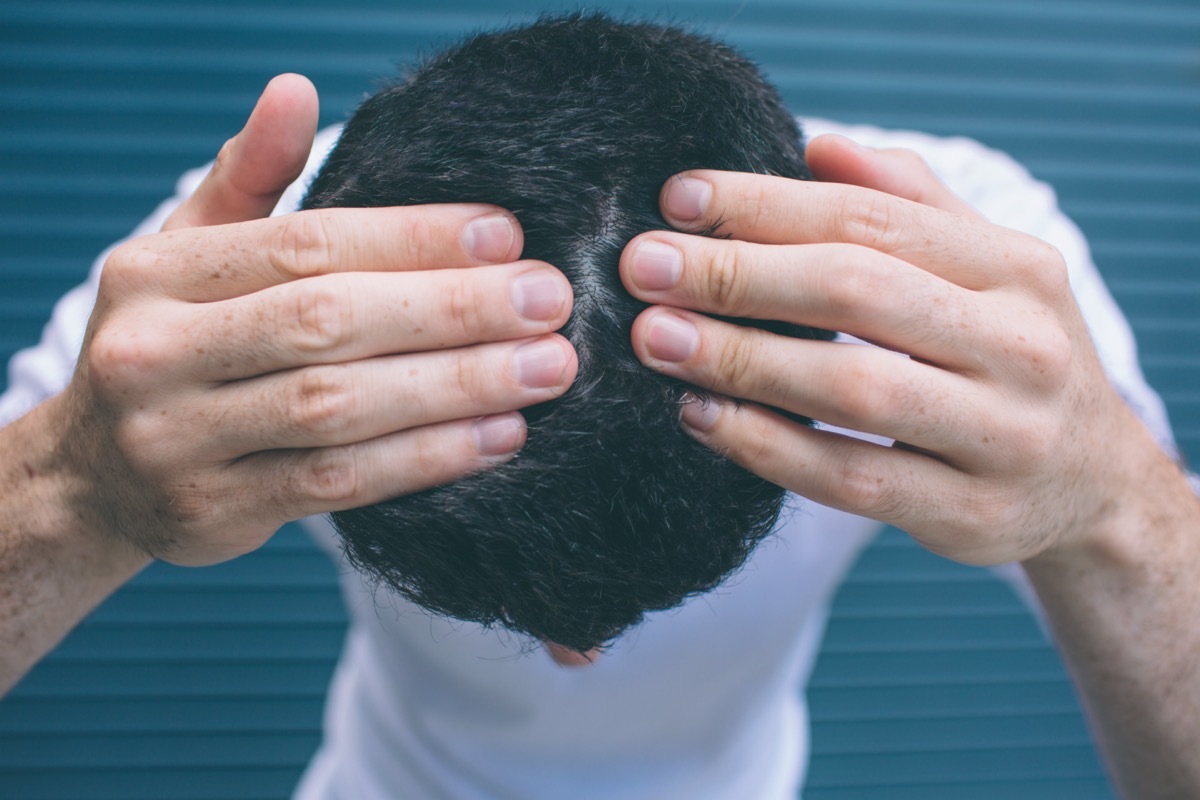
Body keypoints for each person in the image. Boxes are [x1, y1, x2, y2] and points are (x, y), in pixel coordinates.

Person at [1, 14, 1197, 800]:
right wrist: (73, 485)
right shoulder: (239, 287)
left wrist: (1114, 507)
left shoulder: (966, 279)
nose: (576, 653)